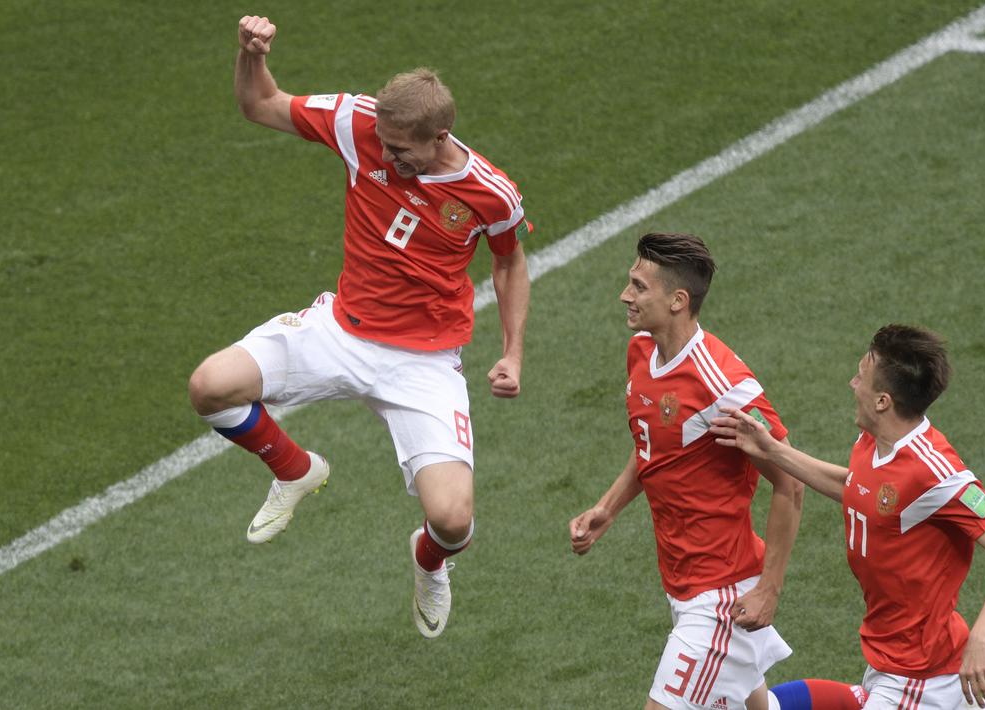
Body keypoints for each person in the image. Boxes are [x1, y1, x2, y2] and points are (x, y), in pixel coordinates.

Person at [187, 15, 532, 639]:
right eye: (385, 145)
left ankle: (429, 563)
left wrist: (512, 352)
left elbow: (509, 263)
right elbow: (260, 104)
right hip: (340, 331)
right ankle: (295, 469)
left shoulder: (491, 193)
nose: (388, 157)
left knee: (453, 519)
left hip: (423, 363)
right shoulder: (358, 122)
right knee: (210, 387)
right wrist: (250, 54)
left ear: (440, 137)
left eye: (402, 151)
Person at [711, 325, 985, 709]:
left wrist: (982, 637)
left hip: (922, 680)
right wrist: (773, 451)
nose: (852, 384)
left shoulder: (933, 472)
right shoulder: (873, 442)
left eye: (860, 377)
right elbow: (856, 487)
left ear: (883, 401)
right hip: (895, 665)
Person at [569, 232, 804, 710]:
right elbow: (656, 448)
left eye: (639, 287)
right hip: (681, 584)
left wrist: (769, 588)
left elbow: (791, 481)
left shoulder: (724, 386)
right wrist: (607, 508)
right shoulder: (641, 351)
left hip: (722, 594)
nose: (625, 295)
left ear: (678, 300)